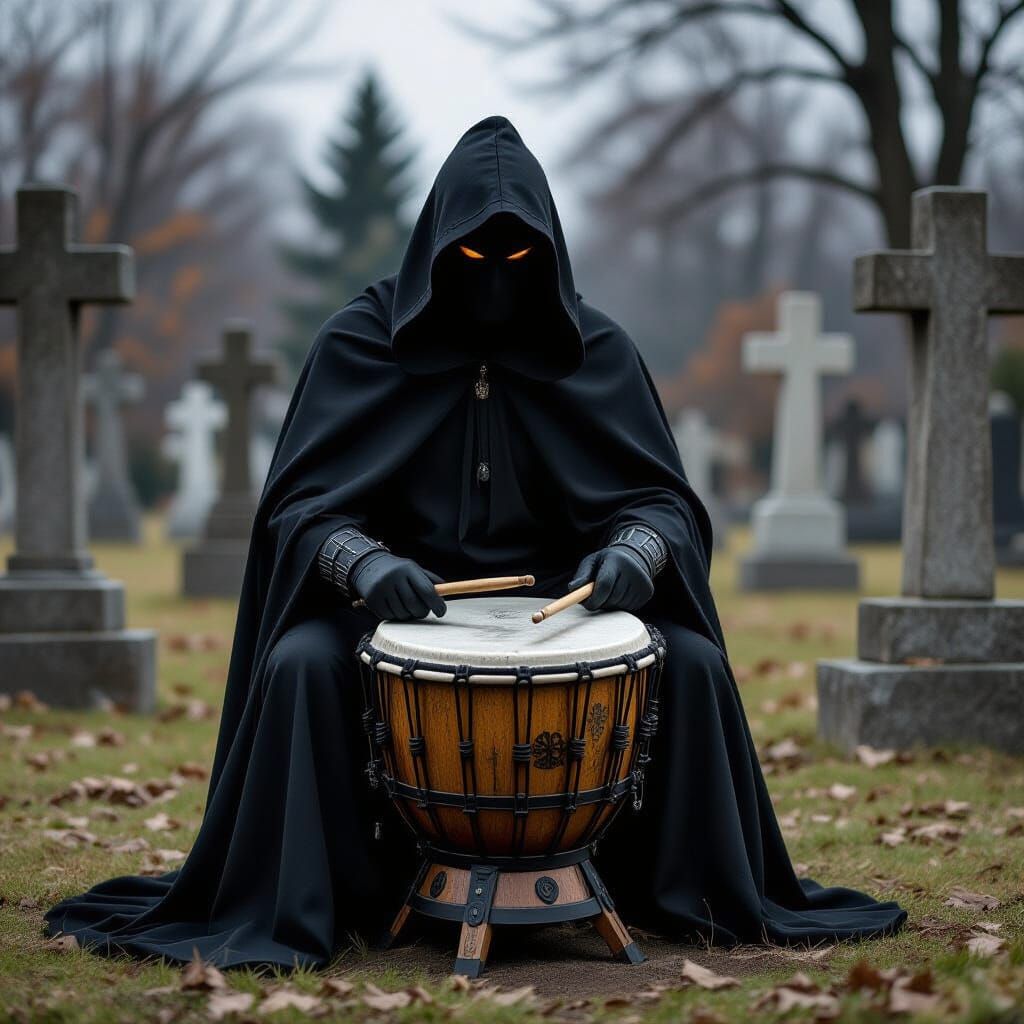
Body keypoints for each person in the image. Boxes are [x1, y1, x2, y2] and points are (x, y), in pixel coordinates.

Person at [43, 114, 907, 970]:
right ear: (433, 247)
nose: (496, 279)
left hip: (568, 622)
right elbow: (299, 506)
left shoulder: (594, 350)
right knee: (300, 665)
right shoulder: (361, 344)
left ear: (554, 253)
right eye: (472, 258)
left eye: (521, 259)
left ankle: (687, 889)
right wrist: (363, 564)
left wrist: (634, 554)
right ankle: (328, 892)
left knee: (696, 664)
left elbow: (665, 504)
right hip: (382, 620)